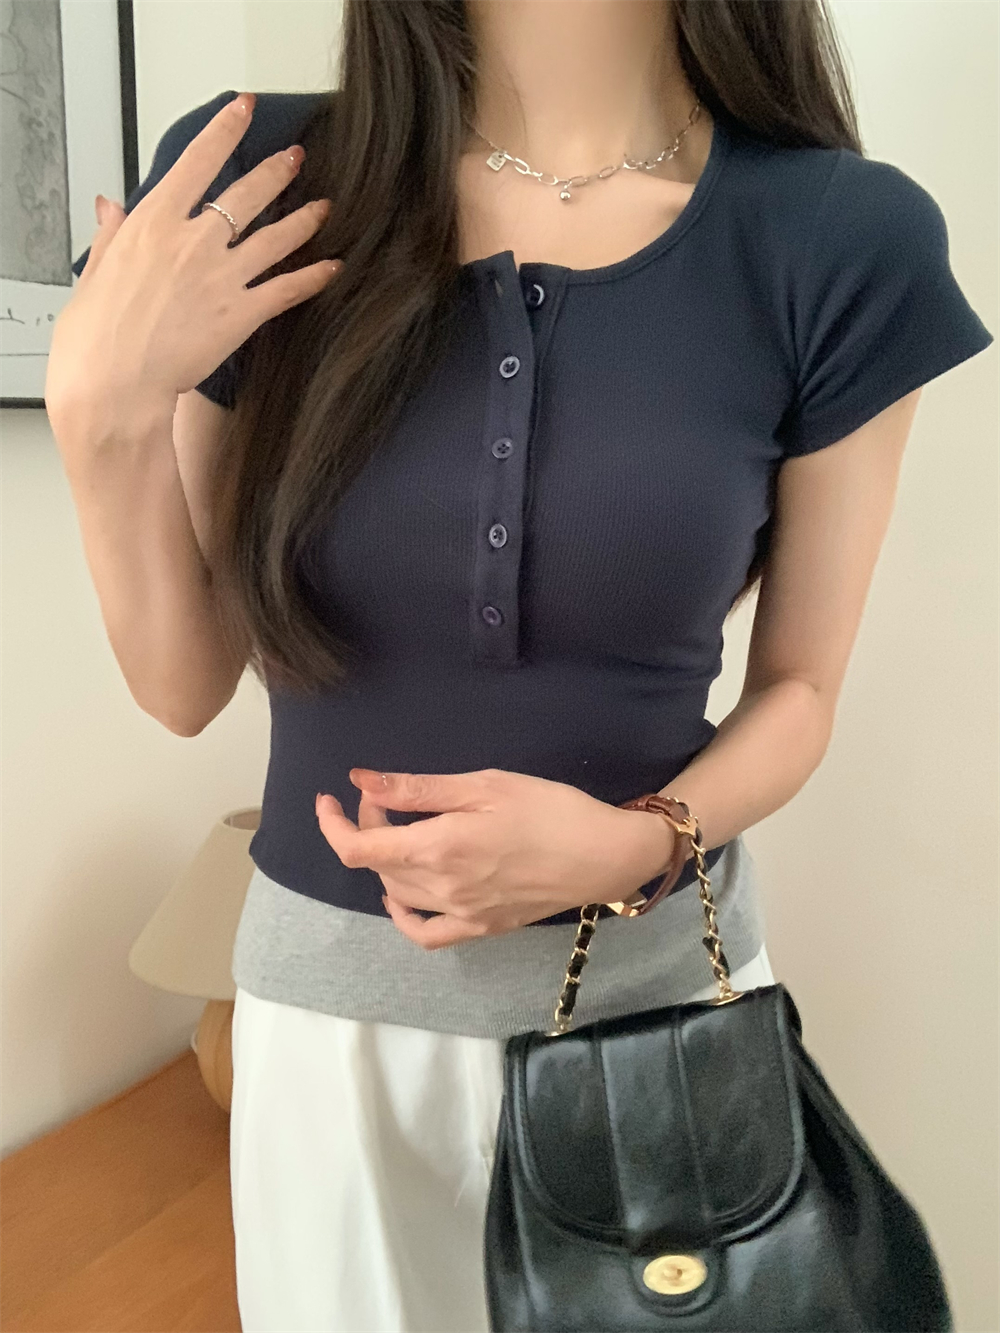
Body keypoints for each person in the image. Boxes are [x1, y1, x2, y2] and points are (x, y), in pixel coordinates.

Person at [49, 1, 993, 1329]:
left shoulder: (838, 235)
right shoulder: (259, 181)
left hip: (659, 1039)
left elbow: (800, 691)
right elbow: (182, 679)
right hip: (331, 1051)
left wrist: (632, 845)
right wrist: (99, 421)